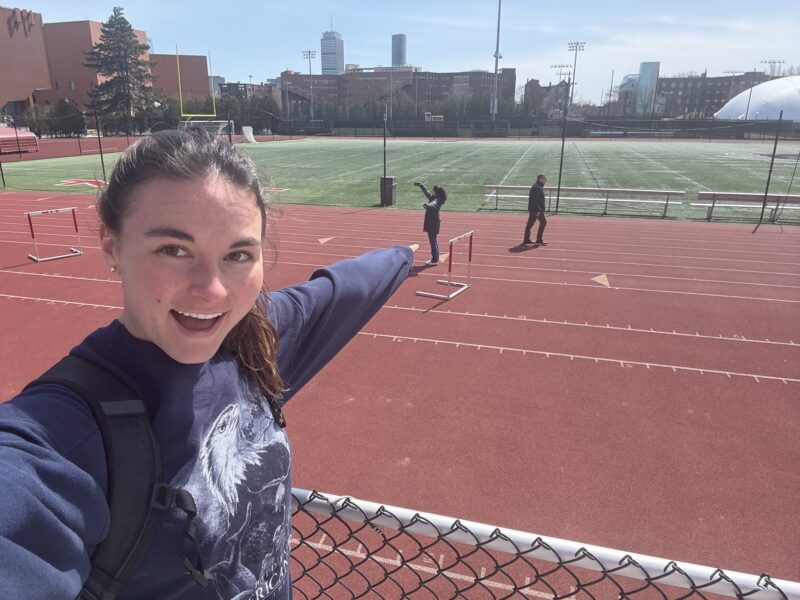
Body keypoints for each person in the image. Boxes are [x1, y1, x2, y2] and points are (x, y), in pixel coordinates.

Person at [0, 129, 416, 599]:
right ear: (111, 244)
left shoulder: (254, 341)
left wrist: (405, 253)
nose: (213, 290)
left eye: (238, 255)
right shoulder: (63, 435)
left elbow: (347, 288)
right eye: (173, 249)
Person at [414, 181, 447, 266]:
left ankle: (435, 259)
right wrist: (421, 186)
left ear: (436, 192)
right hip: (433, 222)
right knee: (434, 240)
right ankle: (435, 257)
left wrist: (427, 205)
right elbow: (427, 192)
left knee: (432, 241)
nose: (431, 192)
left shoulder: (437, 200)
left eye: (433, 191)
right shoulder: (434, 197)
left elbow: (433, 204)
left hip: (433, 222)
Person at [523, 174, 548, 245]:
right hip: (536, 210)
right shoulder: (537, 187)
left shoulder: (537, 186)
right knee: (543, 222)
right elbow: (535, 200)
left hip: (534, 209)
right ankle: (539, 240)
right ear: (540, 179)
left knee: (530, 224)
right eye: (544, 179)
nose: (545, 181)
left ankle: (526, 240)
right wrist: (538, 210)